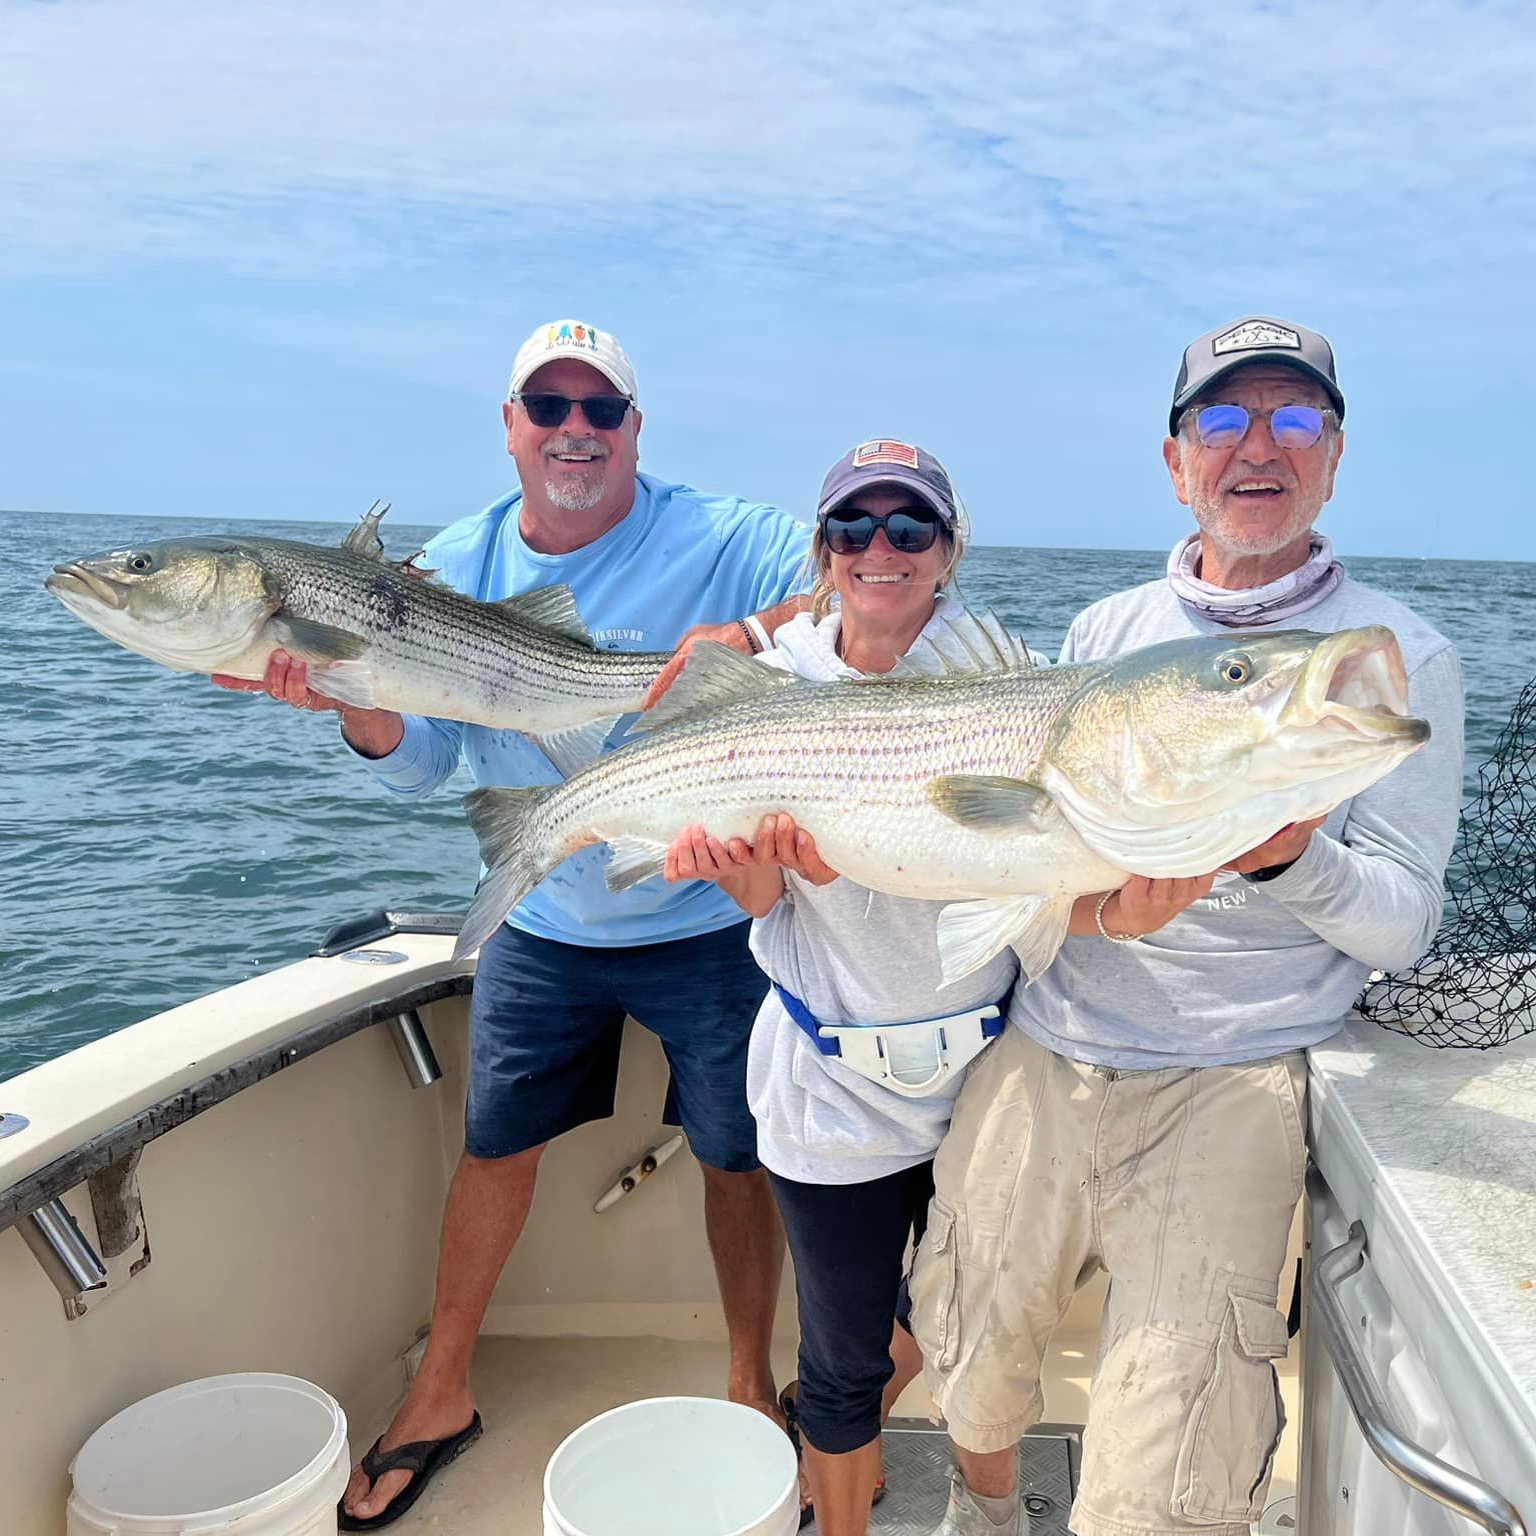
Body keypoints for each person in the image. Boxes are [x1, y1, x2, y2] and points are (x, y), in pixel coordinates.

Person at [215, 319, 809, 1529]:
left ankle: (750, 1385)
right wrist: (352, 699)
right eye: (550, 408)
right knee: (495, 1147)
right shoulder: (454, 559)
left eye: (602, 410)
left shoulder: (725, 533)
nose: (575, 431)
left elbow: (860, 582)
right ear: (510, 427)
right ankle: (439, 1390)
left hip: (704, 906)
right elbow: (418, 759)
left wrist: (742, 636)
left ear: (637, 430)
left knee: (739, 1155)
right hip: (544, 904)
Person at [908, 315, 1466, 1536]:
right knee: (973, 1365)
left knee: (1163, 1482)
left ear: (1334, 453)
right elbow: (1046, 854)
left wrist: (1286, 856)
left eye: (1294, 418)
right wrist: (1097, 909)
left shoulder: (1395, 657)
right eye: (1222, 419)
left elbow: (1404, 925)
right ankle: (985, 1517)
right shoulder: (1107, 634)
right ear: (1176, 461)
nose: (1255, 446)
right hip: (1049, 1049)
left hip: (1230, 1084)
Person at [663, 440, 1038, 1534]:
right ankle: (841, 1508)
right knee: (836, 1361)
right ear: (823, 553)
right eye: (856, 530)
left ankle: (981, 1508)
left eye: (911, 528)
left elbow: (1021, 851)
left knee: (975, 1324)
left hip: (982, 1071)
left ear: (949, 551)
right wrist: (757, 870)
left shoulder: (1003, 671)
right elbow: (766, 906)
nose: (883, 549)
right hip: (832, 1085)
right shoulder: (773, 689)